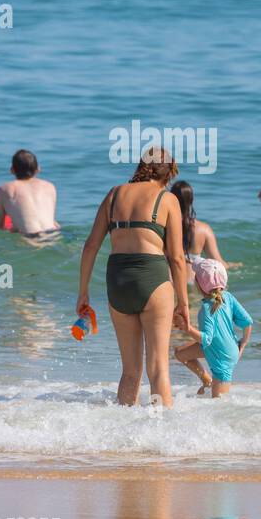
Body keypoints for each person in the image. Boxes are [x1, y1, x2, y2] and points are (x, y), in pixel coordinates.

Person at [77, 147, 190, 407]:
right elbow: (176, 258)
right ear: (168, 173)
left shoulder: (114, 194)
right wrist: (183, 302)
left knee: (130, 371)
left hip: (117, 281)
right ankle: (163, 436)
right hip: (152, 277)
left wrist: (83, 292)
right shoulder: (167, 199)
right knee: (159, 367)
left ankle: (124, 437)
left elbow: (91, 245)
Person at [175, 257, 253, 397]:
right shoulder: (227, 297)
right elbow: (247, 321)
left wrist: (188, 328)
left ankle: (211, 382)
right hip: (222, 348)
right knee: (180, 354)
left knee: (219, 406)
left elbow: (206, 339)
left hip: (222, 359)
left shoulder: (206, 308)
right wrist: (244, 342)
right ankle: (206, 380)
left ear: (197, 284)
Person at [170, 180, 237, 275]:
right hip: (195, 282)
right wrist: (231, 265)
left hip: (172, 280)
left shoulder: (165, 226)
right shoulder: (204, 229)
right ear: (191, 200)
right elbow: (218, 263)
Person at [0, 150, 59, 236]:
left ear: (12, 170)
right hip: (54, 233)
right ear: (38, 169)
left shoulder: (4, 189)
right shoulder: (50, 186)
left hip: (31, 238)